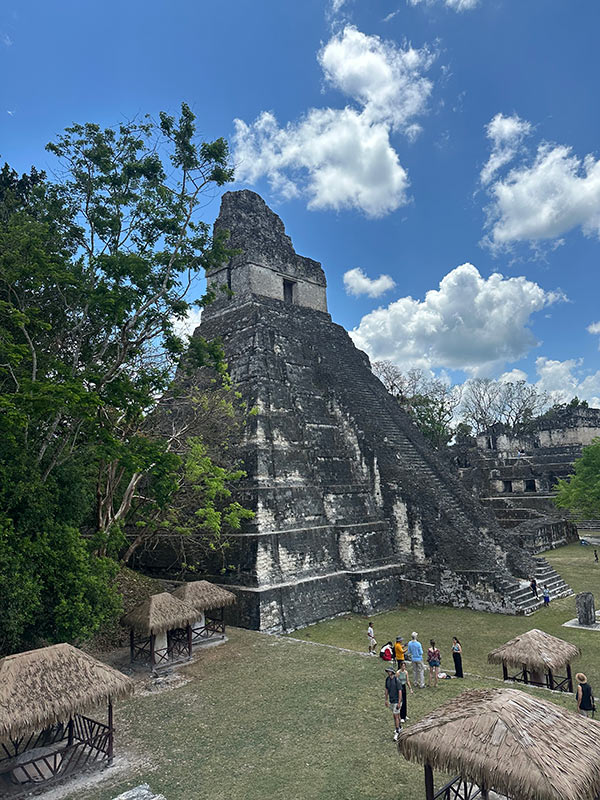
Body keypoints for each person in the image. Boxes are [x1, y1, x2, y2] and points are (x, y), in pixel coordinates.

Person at [384, 666, 403, 741]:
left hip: (396, 700)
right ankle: (400, 727)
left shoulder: (397, 680)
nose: (388, 672)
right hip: (392, 700)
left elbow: (400, 691)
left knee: (395, 716)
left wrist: (399, 702)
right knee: (397, 715)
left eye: (389, 671)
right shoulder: (387, 680)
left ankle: (397, 731)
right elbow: (386, 689)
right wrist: (386, 700)